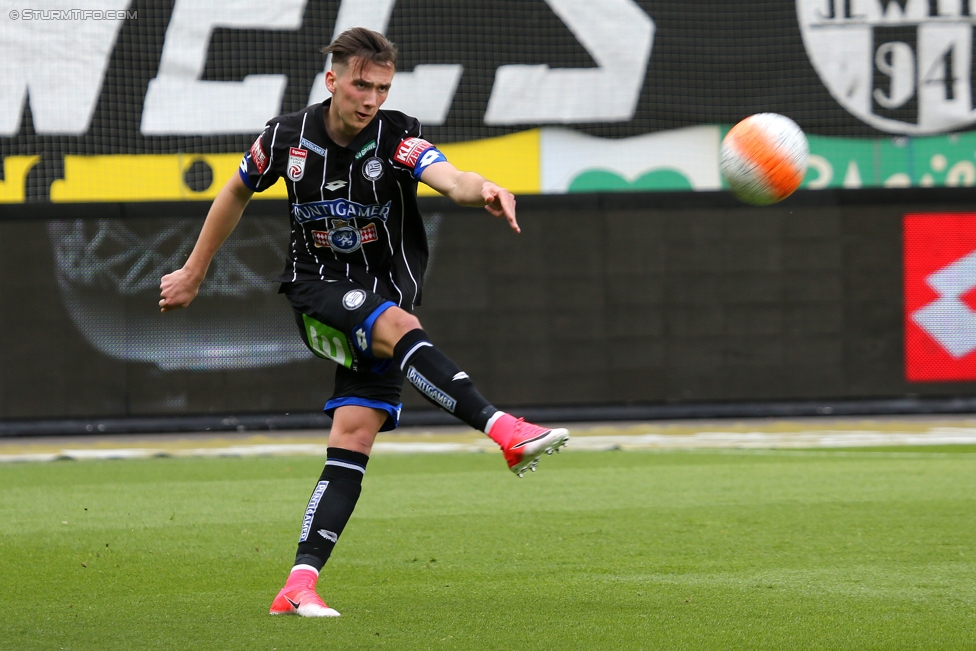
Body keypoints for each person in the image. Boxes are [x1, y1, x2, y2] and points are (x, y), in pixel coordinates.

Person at [158, 27, 569, 618]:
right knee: (398, 325)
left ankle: (298, 584)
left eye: (380, 86)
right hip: (318, 293)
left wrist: (483, 190)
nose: (370, 97)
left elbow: (449, 177)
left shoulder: (398, 135)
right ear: (333, 81)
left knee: (353, 436)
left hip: (380, 299)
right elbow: (233, 193)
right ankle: (505, 430)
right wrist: (194, 272)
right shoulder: (286, 138)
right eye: (360, 84)